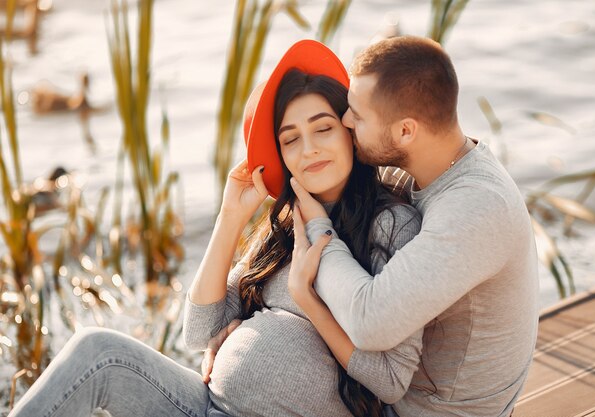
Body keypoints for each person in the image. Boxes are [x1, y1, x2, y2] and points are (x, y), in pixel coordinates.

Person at [9, 40, 422, 417]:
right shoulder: (282, 225)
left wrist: (306, 300)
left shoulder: (390, 226)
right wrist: (230, 217)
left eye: (323, 128)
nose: (309, 148)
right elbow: (200, 328)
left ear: (350, 133)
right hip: (205, 405)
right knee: (96, 351)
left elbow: (388, 380)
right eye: (290, 139)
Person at [290, 36, 540, 417]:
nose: (345, 121)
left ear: (406, 131)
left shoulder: (477, 208)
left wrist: (320, 230)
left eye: (357, 114)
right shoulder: (424, 169)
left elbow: (369, 321)